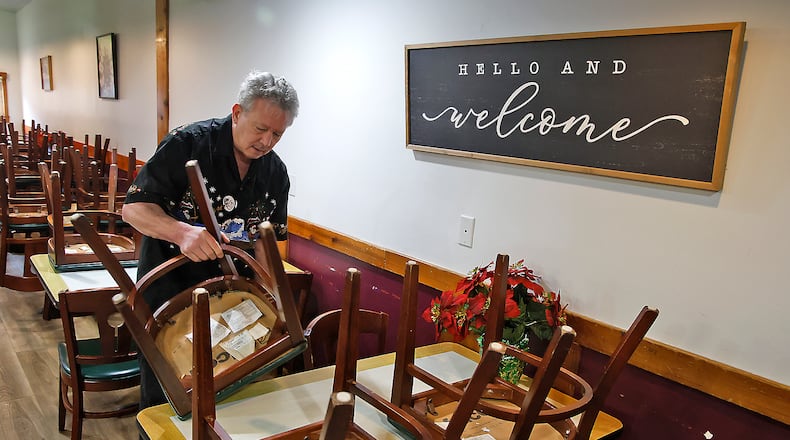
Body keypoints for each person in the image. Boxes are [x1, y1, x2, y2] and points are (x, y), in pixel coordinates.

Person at [122, 70, 299, 408]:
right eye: (260, 129)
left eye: (278, 133)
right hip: (169, 295)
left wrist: (276, 296)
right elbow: (133, 210)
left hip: (234, 299)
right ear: (237, 113)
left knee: (231, 394)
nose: (267, 142)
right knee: (168, 398)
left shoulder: (274, 172)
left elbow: (266, 243)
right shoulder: (186, 144)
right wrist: (181, 231)